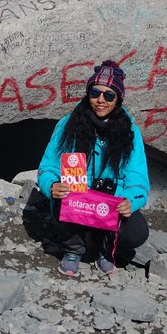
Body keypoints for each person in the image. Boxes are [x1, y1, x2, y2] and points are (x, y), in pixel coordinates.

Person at [37, 60, 150, 277]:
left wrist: (130, 201)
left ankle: (105, 250)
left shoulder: (130, 132)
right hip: (78, 200)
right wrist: (52, 185)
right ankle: (73, 250)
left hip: (110, 204)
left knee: (136, 232)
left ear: (118, 99)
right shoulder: (68, 125)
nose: (100, 100)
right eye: (95, 92)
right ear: (88, 93)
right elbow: (48, 166)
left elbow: (137, 178)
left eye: (109, 95)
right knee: (62, 202)